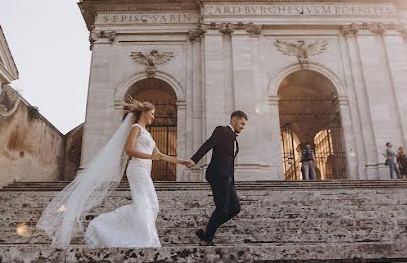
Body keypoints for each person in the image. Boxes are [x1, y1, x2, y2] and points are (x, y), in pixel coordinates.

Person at [36, 97, 191, 248]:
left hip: (144, 169)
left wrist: (181, 161)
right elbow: (129, 149)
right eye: (152, 113)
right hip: (137, 169)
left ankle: (106, 227)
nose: (154, 117)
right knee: (147, 203)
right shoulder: (135, 128)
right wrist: (150, 156)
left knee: (150, 205)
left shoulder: (148, 134)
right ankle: (142, 237)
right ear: (144, 112)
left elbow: (161, 155)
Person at [187, 111, 248, 245]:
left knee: (235, 208)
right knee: (222, 209)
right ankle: (206, 238)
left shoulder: (233, 137)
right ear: (234, 120)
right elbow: (208, 144)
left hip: (228, 178)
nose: (243, 127)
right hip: (218, 175)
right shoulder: (222, 130)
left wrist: (232, 179)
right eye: (242, 123)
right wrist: (194, 160)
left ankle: (207, 230)